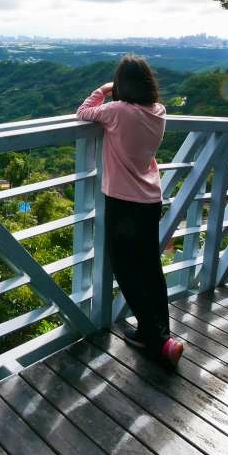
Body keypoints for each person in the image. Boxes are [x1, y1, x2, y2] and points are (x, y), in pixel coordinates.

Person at [76, 54, 184, 368]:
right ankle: (160, 333)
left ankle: (157, 340)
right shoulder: (159, 111)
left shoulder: (117, 111)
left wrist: (104, 88)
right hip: (151, 200)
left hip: (123, 202)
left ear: (123, 85)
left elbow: (83, 112)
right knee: (150, 268)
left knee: (125, 269)